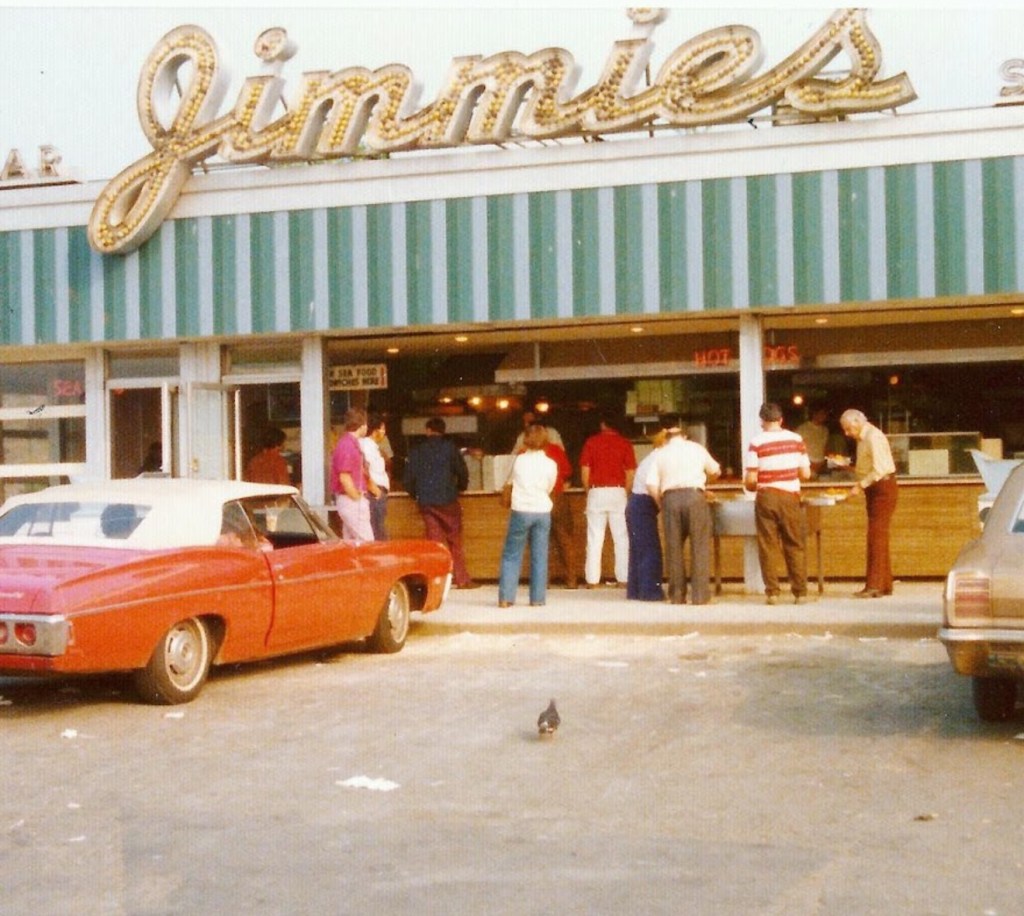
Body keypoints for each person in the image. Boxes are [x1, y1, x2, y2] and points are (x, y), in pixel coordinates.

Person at [646, 416, 721, 605]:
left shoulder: (660, 454)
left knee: (673, 549)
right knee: (699, 547)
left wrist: (661, 504)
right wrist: (704, 483)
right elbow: (716, 470)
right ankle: (700, 596)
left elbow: (651, 486)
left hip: (670, 499)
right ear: (684, 435)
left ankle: (677, 595)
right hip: (695, 497)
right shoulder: (696, 448)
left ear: (667, 438)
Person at [745, 402, 812, 605]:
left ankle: (772, 593)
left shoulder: (756, 442)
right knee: (794, 544)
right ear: (781, 420)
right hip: (790, 496)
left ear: (762, 421)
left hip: (766, 496)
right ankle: (800, 593)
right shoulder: (796, 440)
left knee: (767, 545)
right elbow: (806, 474)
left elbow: (751, 479)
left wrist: (750, 486)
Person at [403, 417, 478, 589]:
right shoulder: (451, 449)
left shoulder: (416, 451)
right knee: (454, 540)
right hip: (448, 501)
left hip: (427, 503)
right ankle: (462, 579)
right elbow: (463, 473)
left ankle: (436, 581)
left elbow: (407, 480)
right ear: (443, 431)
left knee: (434, 543)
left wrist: (417, 495)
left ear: (428, 430)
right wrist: (459, 489)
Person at [498, 424, 559, 608]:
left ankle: (506, 598)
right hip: (542, 511)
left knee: (511, 554)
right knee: (540, 555)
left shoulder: (519, 461)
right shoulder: (551, 464)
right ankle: (537, 599)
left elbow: (509, 480)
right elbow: (550, 487)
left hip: (521, 510)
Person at [840, 408, 898, 598]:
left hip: (882, 488)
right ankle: (885, 584)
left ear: (857, 422)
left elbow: (880, 469)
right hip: (875, 488)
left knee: (876, 536)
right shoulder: (864, 438)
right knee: (879, 536)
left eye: (848, 429)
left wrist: (859, 486)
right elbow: (868, 466)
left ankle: (874, 586)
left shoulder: (873, 437)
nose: (847, 433)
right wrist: (848, 465)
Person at [579, 411, 637, 588]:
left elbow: (585, 471)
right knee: (621, 537)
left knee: (595, 537)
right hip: (618, 492)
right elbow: (630, 473)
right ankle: (623, 579)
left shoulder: (591, 442)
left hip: (597, 491)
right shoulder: (625, 443)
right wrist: (624, 492)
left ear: (603, 423)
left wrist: (589, 490)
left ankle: (593, 581)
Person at [625, 430, 668, 602]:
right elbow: (653, 487)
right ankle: (650, 592)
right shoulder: (660, 459)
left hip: (635, 503)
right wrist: (662, 505)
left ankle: (635, 591)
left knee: (638, 550)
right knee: (650, 549)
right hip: (644, 504)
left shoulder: (652, 457)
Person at [330, 407, 374, 543]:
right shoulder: (347, 445)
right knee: (367, 542)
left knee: (351, 544)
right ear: (361, 425)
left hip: (348, 500)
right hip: (351, 500)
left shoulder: (348, 443)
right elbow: (344, 477)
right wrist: (357, 497)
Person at [360, 413, 390, 540]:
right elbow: (363, 470)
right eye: (382, 429)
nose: (384, 432)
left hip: (376, 494)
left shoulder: (373, 446)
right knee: (377, 533)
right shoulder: (366, 445)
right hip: (373, 495)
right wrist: (376, 491)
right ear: (374, 430)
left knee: (378, 530)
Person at [796, 405, 831, 477]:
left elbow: (825, 447)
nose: (823, 416)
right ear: (814, 414)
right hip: (807, 465)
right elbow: (797, 448)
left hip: (821, 465)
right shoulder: (803, 428)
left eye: (825, 414)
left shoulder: (825, 430)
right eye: (821, 414)